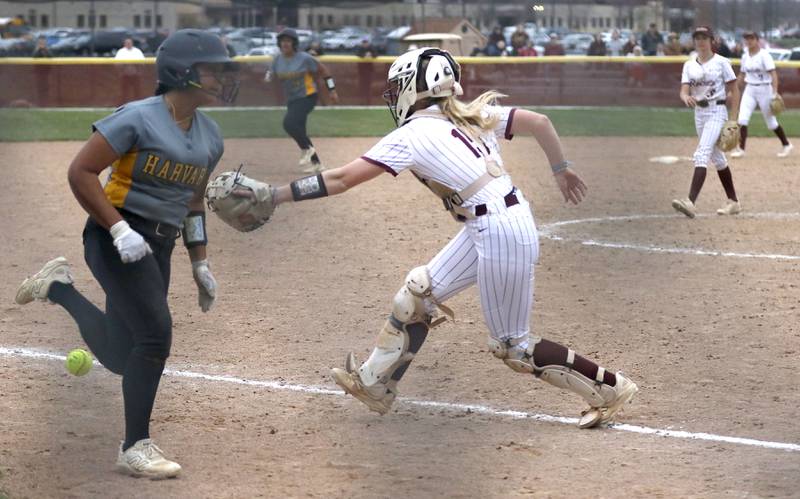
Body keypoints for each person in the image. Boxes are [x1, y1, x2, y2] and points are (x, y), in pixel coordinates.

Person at [262, 47, 638, 428]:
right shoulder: (472, 113)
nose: (394, 95)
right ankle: (375, 384)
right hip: (495, 222)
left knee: (513, 347)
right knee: (418, 292)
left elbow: (342, 178)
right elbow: (540, 122)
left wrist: (275, 195)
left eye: (398, 87)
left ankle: (610, 387)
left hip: (499, 229)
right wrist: (562, 169)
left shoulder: (412, 133)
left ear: (416, 85)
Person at [14, 29, 239, 479]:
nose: (220, 77)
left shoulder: (211, 137)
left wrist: (200, 261)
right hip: (113, 237)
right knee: (156, 337)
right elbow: (81, 171)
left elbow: (193, 204)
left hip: (158, 246)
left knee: (122, 355)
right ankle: (135, 446)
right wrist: (117, 229)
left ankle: (58, 287)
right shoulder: (137, 118)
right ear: (183, 72)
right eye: (212, 69)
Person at [672, 26, 741, 218]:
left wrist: (734, 120)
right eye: (697, 38)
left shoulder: (722, 62)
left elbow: (734, 90)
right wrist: (685, 97)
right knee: (717, 158)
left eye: (704, 37)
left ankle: (690, 202)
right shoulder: (689, 65)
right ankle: (733, 202)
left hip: (717, 111)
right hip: (699, 113)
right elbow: (684, 90)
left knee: (701, 154)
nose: (701, 41)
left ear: (712, 41)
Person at [264, 28, 339, 173]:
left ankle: (307, 149)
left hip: (308, 96)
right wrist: (268, 76)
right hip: (292, 99)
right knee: (300, 130)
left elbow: (325, 72)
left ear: (294, 43)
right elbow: (271, 71)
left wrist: (332, 90)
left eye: (288, 41)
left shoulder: (304, 58)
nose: (285, 44)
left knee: (289, 124)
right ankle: (317, 163)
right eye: (282, 41)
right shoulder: (277, 59)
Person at [730, 31, 792, 159]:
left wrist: (774, 92)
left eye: (751, 38)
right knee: (742, 119)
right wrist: (734, 89)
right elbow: (742, 74)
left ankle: (786, 144)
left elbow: (773, 74)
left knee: (771, 123)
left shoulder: (764, 55)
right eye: (746, 38)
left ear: (757, 40)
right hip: (750, 89)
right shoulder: (745, 55)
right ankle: (741, 149)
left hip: (765, 89)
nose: (748, 41)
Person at [115, 38, 146, 105]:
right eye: (127, 43)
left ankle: (139, 105)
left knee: (137, 91)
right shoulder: (121, 51)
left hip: (136, 74)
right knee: (124, 92)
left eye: (130, 43)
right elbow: (116, 63)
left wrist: (138, 69)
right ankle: (122, 106)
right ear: (124, 44)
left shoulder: (137, 51)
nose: (128, 44)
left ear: (132, 43)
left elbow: (143, 62)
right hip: (124, 74)